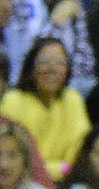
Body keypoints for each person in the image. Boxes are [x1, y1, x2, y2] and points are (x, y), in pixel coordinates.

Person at [2, 30, 83, 178]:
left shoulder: (72, 99)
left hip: (67, 182)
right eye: (45, 61)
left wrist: (65, 170)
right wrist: (59, 169)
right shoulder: (13, 100)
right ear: (31, 67)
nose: (52, 68)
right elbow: (13, 156)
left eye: (60, 63)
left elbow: (79, 150)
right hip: (22, 181)